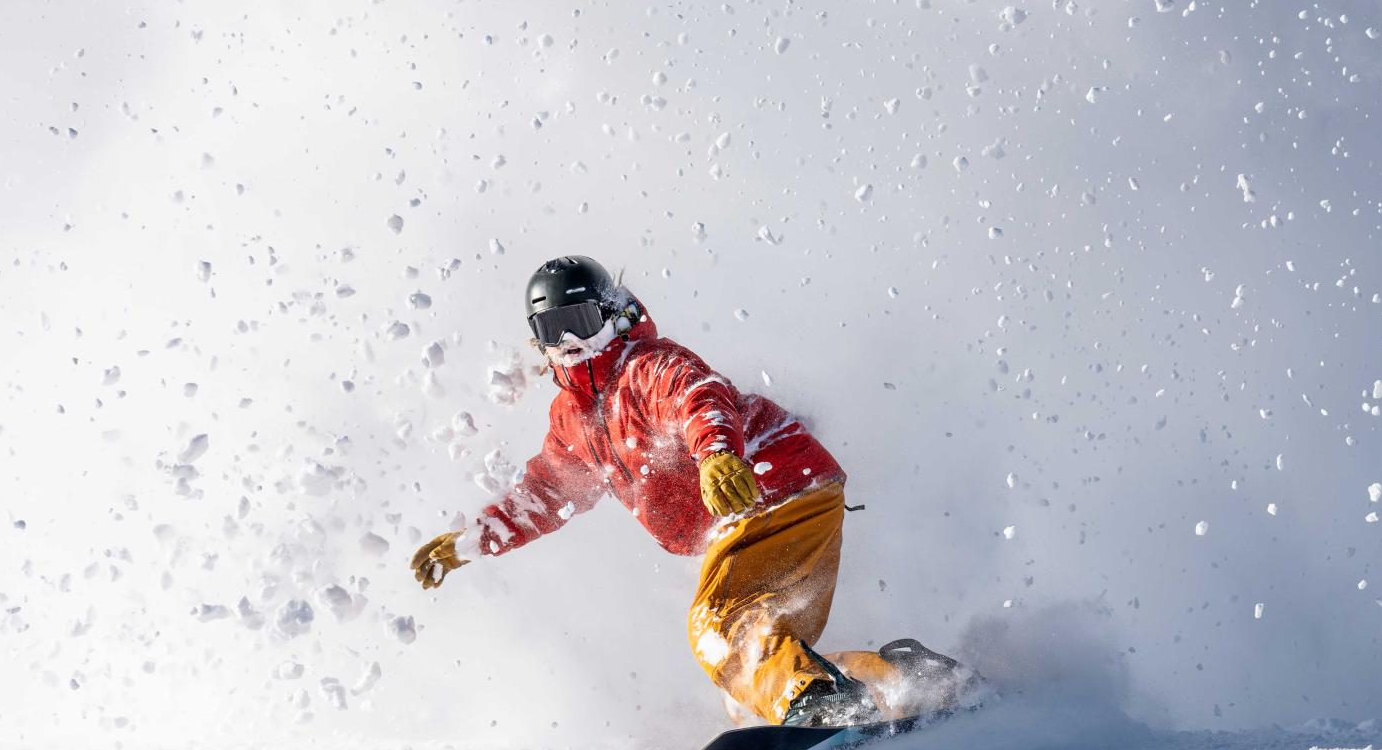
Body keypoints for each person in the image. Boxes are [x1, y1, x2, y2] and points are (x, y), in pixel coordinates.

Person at [411, 256, 966, 726]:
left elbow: (698, 399)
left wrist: (718, 454)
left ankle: (819, 704)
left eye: (580, 320)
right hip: (773, 508)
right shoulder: (571, 418)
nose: (571, 342)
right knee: (748, 679)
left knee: (718, 628)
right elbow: (548, 491)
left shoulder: (647, 367)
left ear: (611, 315)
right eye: (551, 332)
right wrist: (473, 541)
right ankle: (904, 679)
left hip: (769, 492)